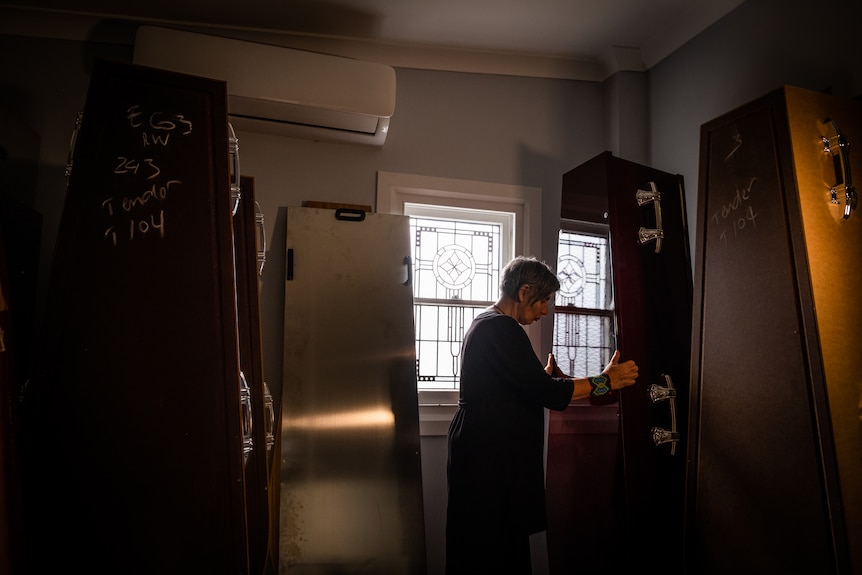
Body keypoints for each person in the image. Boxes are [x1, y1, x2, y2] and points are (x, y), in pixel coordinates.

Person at [445, 255, 639, 574]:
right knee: (490, 549)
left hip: (485, 448)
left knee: (492, 543)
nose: (545, 310)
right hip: (487, 456)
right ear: (524, 292)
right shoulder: (500, 328)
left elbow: (532, 384)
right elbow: (550, 393)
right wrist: (607, 381)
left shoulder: (487, 324)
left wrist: (556, 381)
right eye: (544, 301)